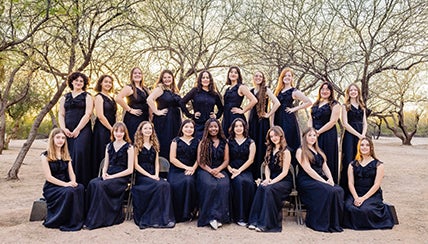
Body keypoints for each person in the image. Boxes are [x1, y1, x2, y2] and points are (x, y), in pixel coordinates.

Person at [85, 122, 134, 230]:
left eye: (121, 131)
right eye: (116, 131)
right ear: (113, 132)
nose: (119, 134)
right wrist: (104, 174)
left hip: (121, 178)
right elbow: (105, 164)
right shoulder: (108, 146)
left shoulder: (129, 147)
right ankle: (91, 217)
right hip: (109, 175)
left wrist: (113, 177)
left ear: (125, 133)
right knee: (93, 183)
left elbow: (130, 170)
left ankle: (101, 219)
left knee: (101, 186)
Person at [296, 127, 344, 232]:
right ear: (304, 137)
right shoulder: (300, 150)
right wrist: (323, 181)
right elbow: (308, 169)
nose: (312, 138)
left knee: (338, 190)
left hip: (319, 179)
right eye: (310, 135)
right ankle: (320, 222)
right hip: (306, 181)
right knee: (327, 190)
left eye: (314, 135)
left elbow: (325, 167)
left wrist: (330, 179)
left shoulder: (318, 150)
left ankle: (334, 221)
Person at [248, 126, 293, 232]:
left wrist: (272, 182)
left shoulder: (286, 151)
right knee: (261, 188)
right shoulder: (270, 149)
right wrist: (267, 179)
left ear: (281, 135)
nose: (274, 138)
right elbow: (267, 166)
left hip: (284, 181)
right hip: (272, 179)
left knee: (269, 189)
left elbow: (285, 172)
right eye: (271, 136)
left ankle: (266, 224)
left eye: (276, 135)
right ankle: (255, 221)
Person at [343, 137, 395, 230]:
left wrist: (363, 198)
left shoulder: (379, 165)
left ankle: (384, 210)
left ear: (371, 147)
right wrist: (356, 197)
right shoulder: (352, 165)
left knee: (365, 210)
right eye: (362, 145)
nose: (364, 147)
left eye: (367, 145)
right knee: (348, 208)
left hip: (372, 194)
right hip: (356, 193)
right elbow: (350, 183)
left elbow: (376, 185)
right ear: (359, 147)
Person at [132, 121, 175, 229]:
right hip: (142, 176)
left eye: (150, 128)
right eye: (145, 128)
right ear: (141, 130)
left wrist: (156, 174)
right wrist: (150, 176)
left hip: (153, 174)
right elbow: (135, 165)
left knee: (165, 185)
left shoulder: (154, 144)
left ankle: (164, 217)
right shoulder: (137, 145)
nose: (148, 131)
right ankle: (152, 218)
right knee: (160, 185)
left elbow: (156, 162)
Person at [41, 128, 84, 231]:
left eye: (63, 138)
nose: (61, 140)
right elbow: (48, 177)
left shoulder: (66, 154)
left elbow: (71, 173)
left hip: (66, 184)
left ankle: (76, 220)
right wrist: (66, 184)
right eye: (58, 137)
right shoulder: (45, 156)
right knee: (69, 191)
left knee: (80, 188)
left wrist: (73, 182)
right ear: (52, 139)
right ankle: (63, 220)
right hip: (52, 187)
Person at [58, 71, 93, 186]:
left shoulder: (87, 96)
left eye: (81, 81)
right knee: (67, 154)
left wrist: (78, 129)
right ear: (72, 81)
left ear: (84, 83)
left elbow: (88, 114)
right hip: (67, 130)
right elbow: (61, 114)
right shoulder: (65, 97)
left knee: (79, 152)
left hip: (83, 130)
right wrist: (63, 129)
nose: (78, 82)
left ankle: (80, 183)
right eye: (76, 80)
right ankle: (66, 181)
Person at [273, 67, 312, 166]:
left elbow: (309, 102)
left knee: (288, 142)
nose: (287, 77)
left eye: (289, 76)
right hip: (278, 119)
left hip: (288, 120)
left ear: (292, 78)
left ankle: (291, 168)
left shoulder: (294, 92)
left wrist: (294, 109)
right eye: (285, 75)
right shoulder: (278, 91)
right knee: (278, 142)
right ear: (281, 77)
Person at [196, 118, 230, 230]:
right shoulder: (202, 142)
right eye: (211, 127)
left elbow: (226, 160)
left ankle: (220, 217)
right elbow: (200, 161)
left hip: (220, 169)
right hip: (205, 169)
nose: (213, 129)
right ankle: (209, 217)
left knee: (223, 185)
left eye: (215, 126)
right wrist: (211, 171)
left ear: (219, 128)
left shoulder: (224, 143)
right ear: (207, 128)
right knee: (210, 185)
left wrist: (218, 170)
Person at [248, 71, 280, 179]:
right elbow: (249, 108)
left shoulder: (266, 90)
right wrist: (247, 122)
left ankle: (262, 175)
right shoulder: (251, 91)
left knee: (262, 147)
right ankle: (253, 175)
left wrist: (268, 115)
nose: (258, 77)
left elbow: (277, 103)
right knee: (253, 147)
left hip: (262, 122)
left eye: (260, 76)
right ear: (253, 78)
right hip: (252, 122)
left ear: (263, 78)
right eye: (256, 76)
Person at [308, 81, 340, 183]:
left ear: (331, 91)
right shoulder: (315, 104)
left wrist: (318, 132)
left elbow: (333, 121)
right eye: (322, 89)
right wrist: (311, 131)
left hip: (327, 135)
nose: (324, 91)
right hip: (313, 135)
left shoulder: (335, 104)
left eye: (327, 89)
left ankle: (329, 183)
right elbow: (310, 119)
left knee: (327, 158)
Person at [227, 118, 256, 227]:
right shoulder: (228, 141)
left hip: (245, 169)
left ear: (244, 128)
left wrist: (239, 170)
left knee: (248, 183)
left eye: (241, 126)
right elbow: (225, 159)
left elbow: (251, 160)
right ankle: (239, 217)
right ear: (233, 128)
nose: (238, 128)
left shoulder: (251, 142)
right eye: (236, 126)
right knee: (238, 182)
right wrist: (230, 169)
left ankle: (248, 216)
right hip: (231, 169)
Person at [168, 119, 199, 222]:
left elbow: (199, 158)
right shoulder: (175, 141)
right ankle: (177, 213)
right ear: (182, 128)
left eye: (191, 127)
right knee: (175, 184)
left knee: (189, 181)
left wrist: (193, 168)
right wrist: (186, 168)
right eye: (186, 127)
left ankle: (188, 212)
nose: (189, 129)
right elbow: (172, 159)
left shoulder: (198, 141)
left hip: (192, 169)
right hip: (177, 169)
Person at [147, 69, 182, 159]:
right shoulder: (160, 89)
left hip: (175, 120)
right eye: (164, 77)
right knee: (165, 142)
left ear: (172, 78)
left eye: (169, 77)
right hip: (164, 121)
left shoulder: (173, 90)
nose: (167, 79)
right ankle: (163, 166)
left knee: (174, 142)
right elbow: (149, 99)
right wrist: (156, 112)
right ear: (161, 79)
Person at [180, 70, 224, 140]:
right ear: (200, 80)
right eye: (203, 78)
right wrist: (190, 115)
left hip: (210, 126)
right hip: (198, 125)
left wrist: (216, 116)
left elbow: (221, 108)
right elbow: (182, 102)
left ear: (210, 80)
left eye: (207, 77)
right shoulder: (195, 91)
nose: (205, 79)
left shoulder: (214, 94)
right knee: (198, 146)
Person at [340, 83, 367, 195]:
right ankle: (346, 190)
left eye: (355, 90)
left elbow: (365, 122)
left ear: (358, 92)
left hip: (361, 135)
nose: (353, 92)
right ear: (348, 92)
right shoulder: (345, 106)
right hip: (350, 136)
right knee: (349, 160)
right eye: (351, 90)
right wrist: (358, 135)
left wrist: (363, 135)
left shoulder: (362, 106)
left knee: (361, 160)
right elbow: (345, 124)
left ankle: (359, 188)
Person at [115, 67, 150, 142]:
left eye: (139, 73)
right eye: (135, 73)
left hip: (144, 119)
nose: (137, 75)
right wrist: (130, 110)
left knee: (142, 142)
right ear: (131, 76)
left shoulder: (145, 89)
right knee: (133, 141)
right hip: (133, 120)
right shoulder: (129, 88)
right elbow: (118, 98)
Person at [92, 75, 117, 177]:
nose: (108, 84)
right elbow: (100, 116)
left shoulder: (111, 97)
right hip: (102, 130)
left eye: (110, 82)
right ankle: (98, 177)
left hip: (111, 129)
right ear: (101, 83)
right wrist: (111, 129)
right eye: (106, 82)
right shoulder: (98, 97)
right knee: (101, 152)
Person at [222, 66, 257, 138]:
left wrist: (243, 111)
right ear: (228, 74)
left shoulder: (241, 87)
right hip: (226, 117)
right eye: (231, 72)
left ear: (238, 75)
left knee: (235, 138)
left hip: (235, 117)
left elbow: (254, 100)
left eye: (235, 72)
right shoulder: (227, 89)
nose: (233, 74)